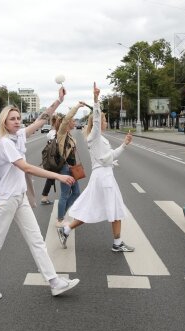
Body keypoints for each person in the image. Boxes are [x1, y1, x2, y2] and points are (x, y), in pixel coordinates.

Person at [0, 86, 80, 299]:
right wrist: (57, 176)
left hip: (20, 197)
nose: (16, 121)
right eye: (12, 118)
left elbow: (41, 120)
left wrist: (58, 102)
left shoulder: (19, 136)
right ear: (4, 122)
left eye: (18, 118)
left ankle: (54, 282)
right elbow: (26, 168)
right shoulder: (5, 143)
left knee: (37, 240)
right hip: (6, 199)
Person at [57, 83, 134, 252]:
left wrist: (123, 145)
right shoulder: (95, 136)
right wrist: (96, 100)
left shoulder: (99, 139)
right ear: (97, 123)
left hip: (103, 176)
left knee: (93, 209)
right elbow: (107, 156)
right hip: (104, 178)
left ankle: (66, 229)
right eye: (104, 120)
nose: (105, 122)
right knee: (115, 210)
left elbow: (104, 158)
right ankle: (117, 243)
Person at [54, 102, 85, 227]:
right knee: (65, 194)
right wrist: (77, 106)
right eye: (73, 121)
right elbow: (66, 118)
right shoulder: (61, 133)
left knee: (76, 192)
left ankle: (62, 213)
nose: (74, 122)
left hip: (72, 169)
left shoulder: (69, 135)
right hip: (65, 169)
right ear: (67, 124)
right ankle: (60, 219)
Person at [40, 114, 62, 205]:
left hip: (51, 158)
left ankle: (44, 197)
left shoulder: (50, 133)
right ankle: (44, 197)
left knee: (51, 177)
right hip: (57, 158)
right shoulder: (59, 133)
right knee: (52, 177)